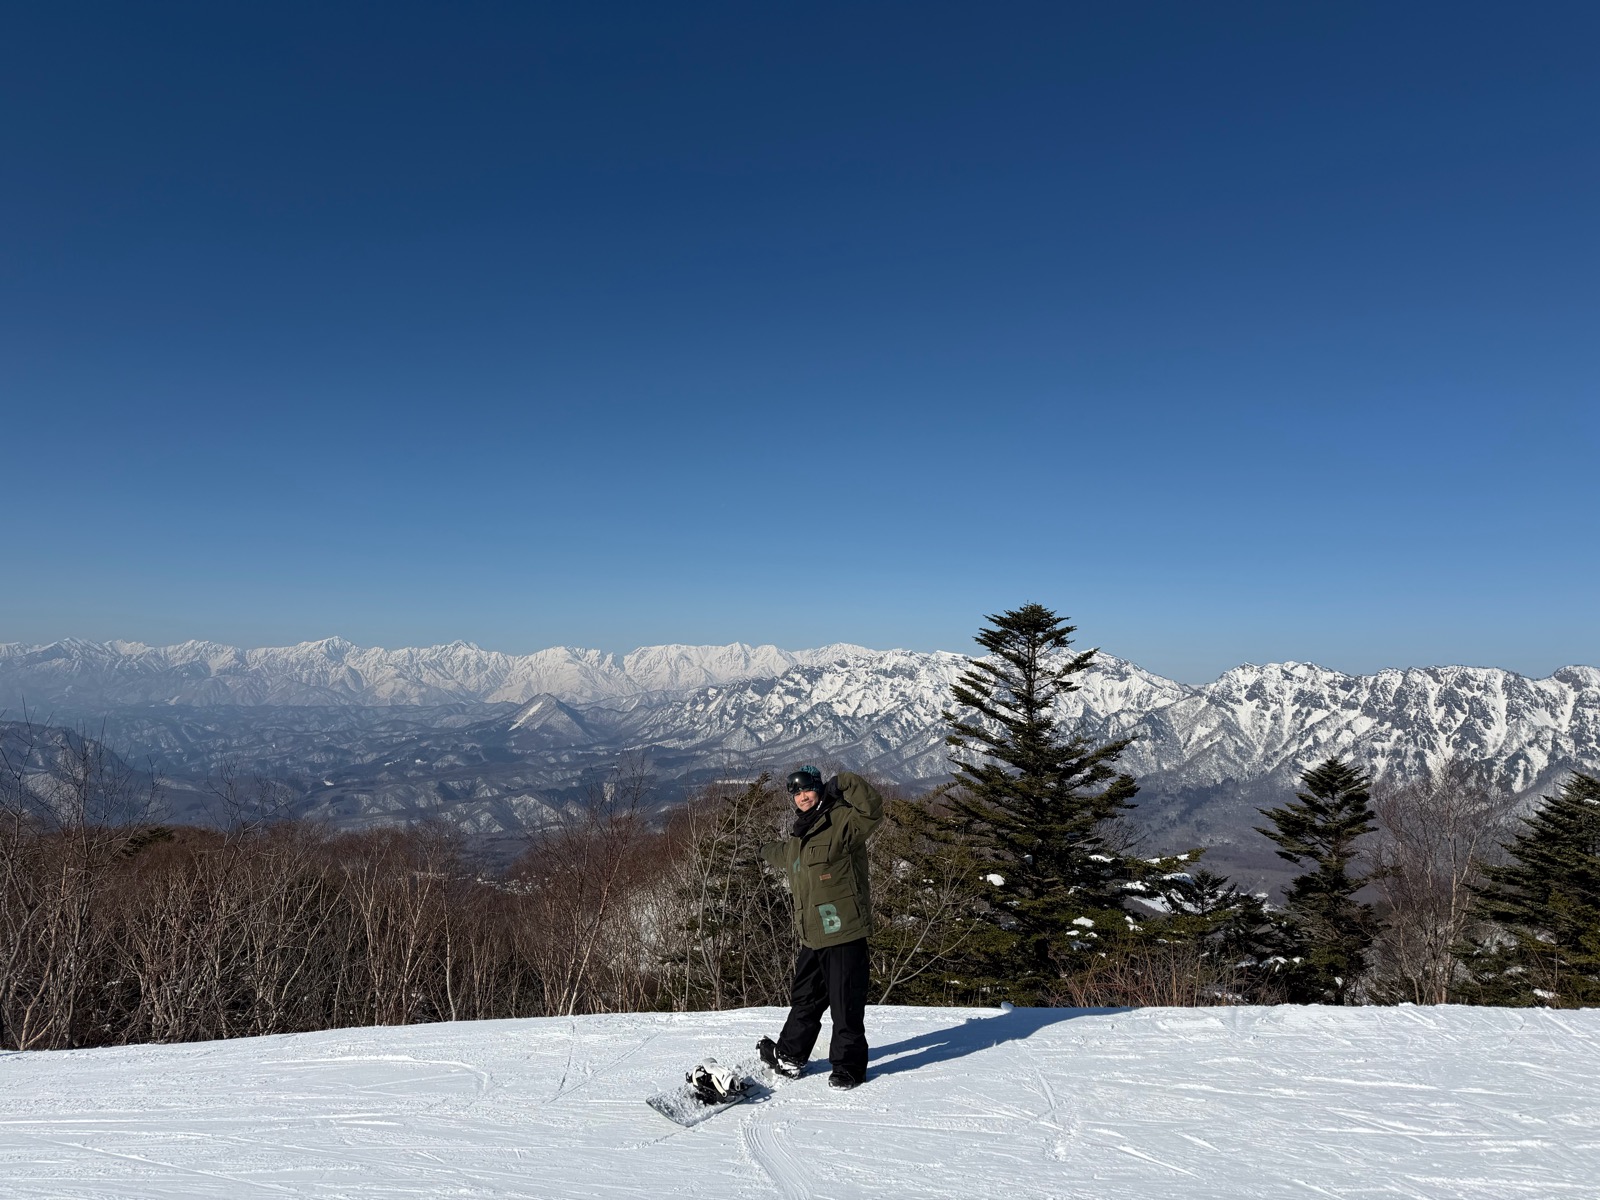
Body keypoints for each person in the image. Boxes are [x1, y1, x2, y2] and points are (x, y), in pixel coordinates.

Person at [757, 764, 884, 1089]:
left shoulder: (841, 821)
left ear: (819, 788)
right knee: (805, 999)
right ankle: (790, 1055)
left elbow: (872, 811)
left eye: (807, 790)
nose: (802, 797)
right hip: (813, 935)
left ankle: (848, 1068)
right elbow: (786, 855)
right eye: (796, 793)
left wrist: (843, 783)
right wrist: (760, 848)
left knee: (845, 1005)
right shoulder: (802, 834)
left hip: (843, 931)